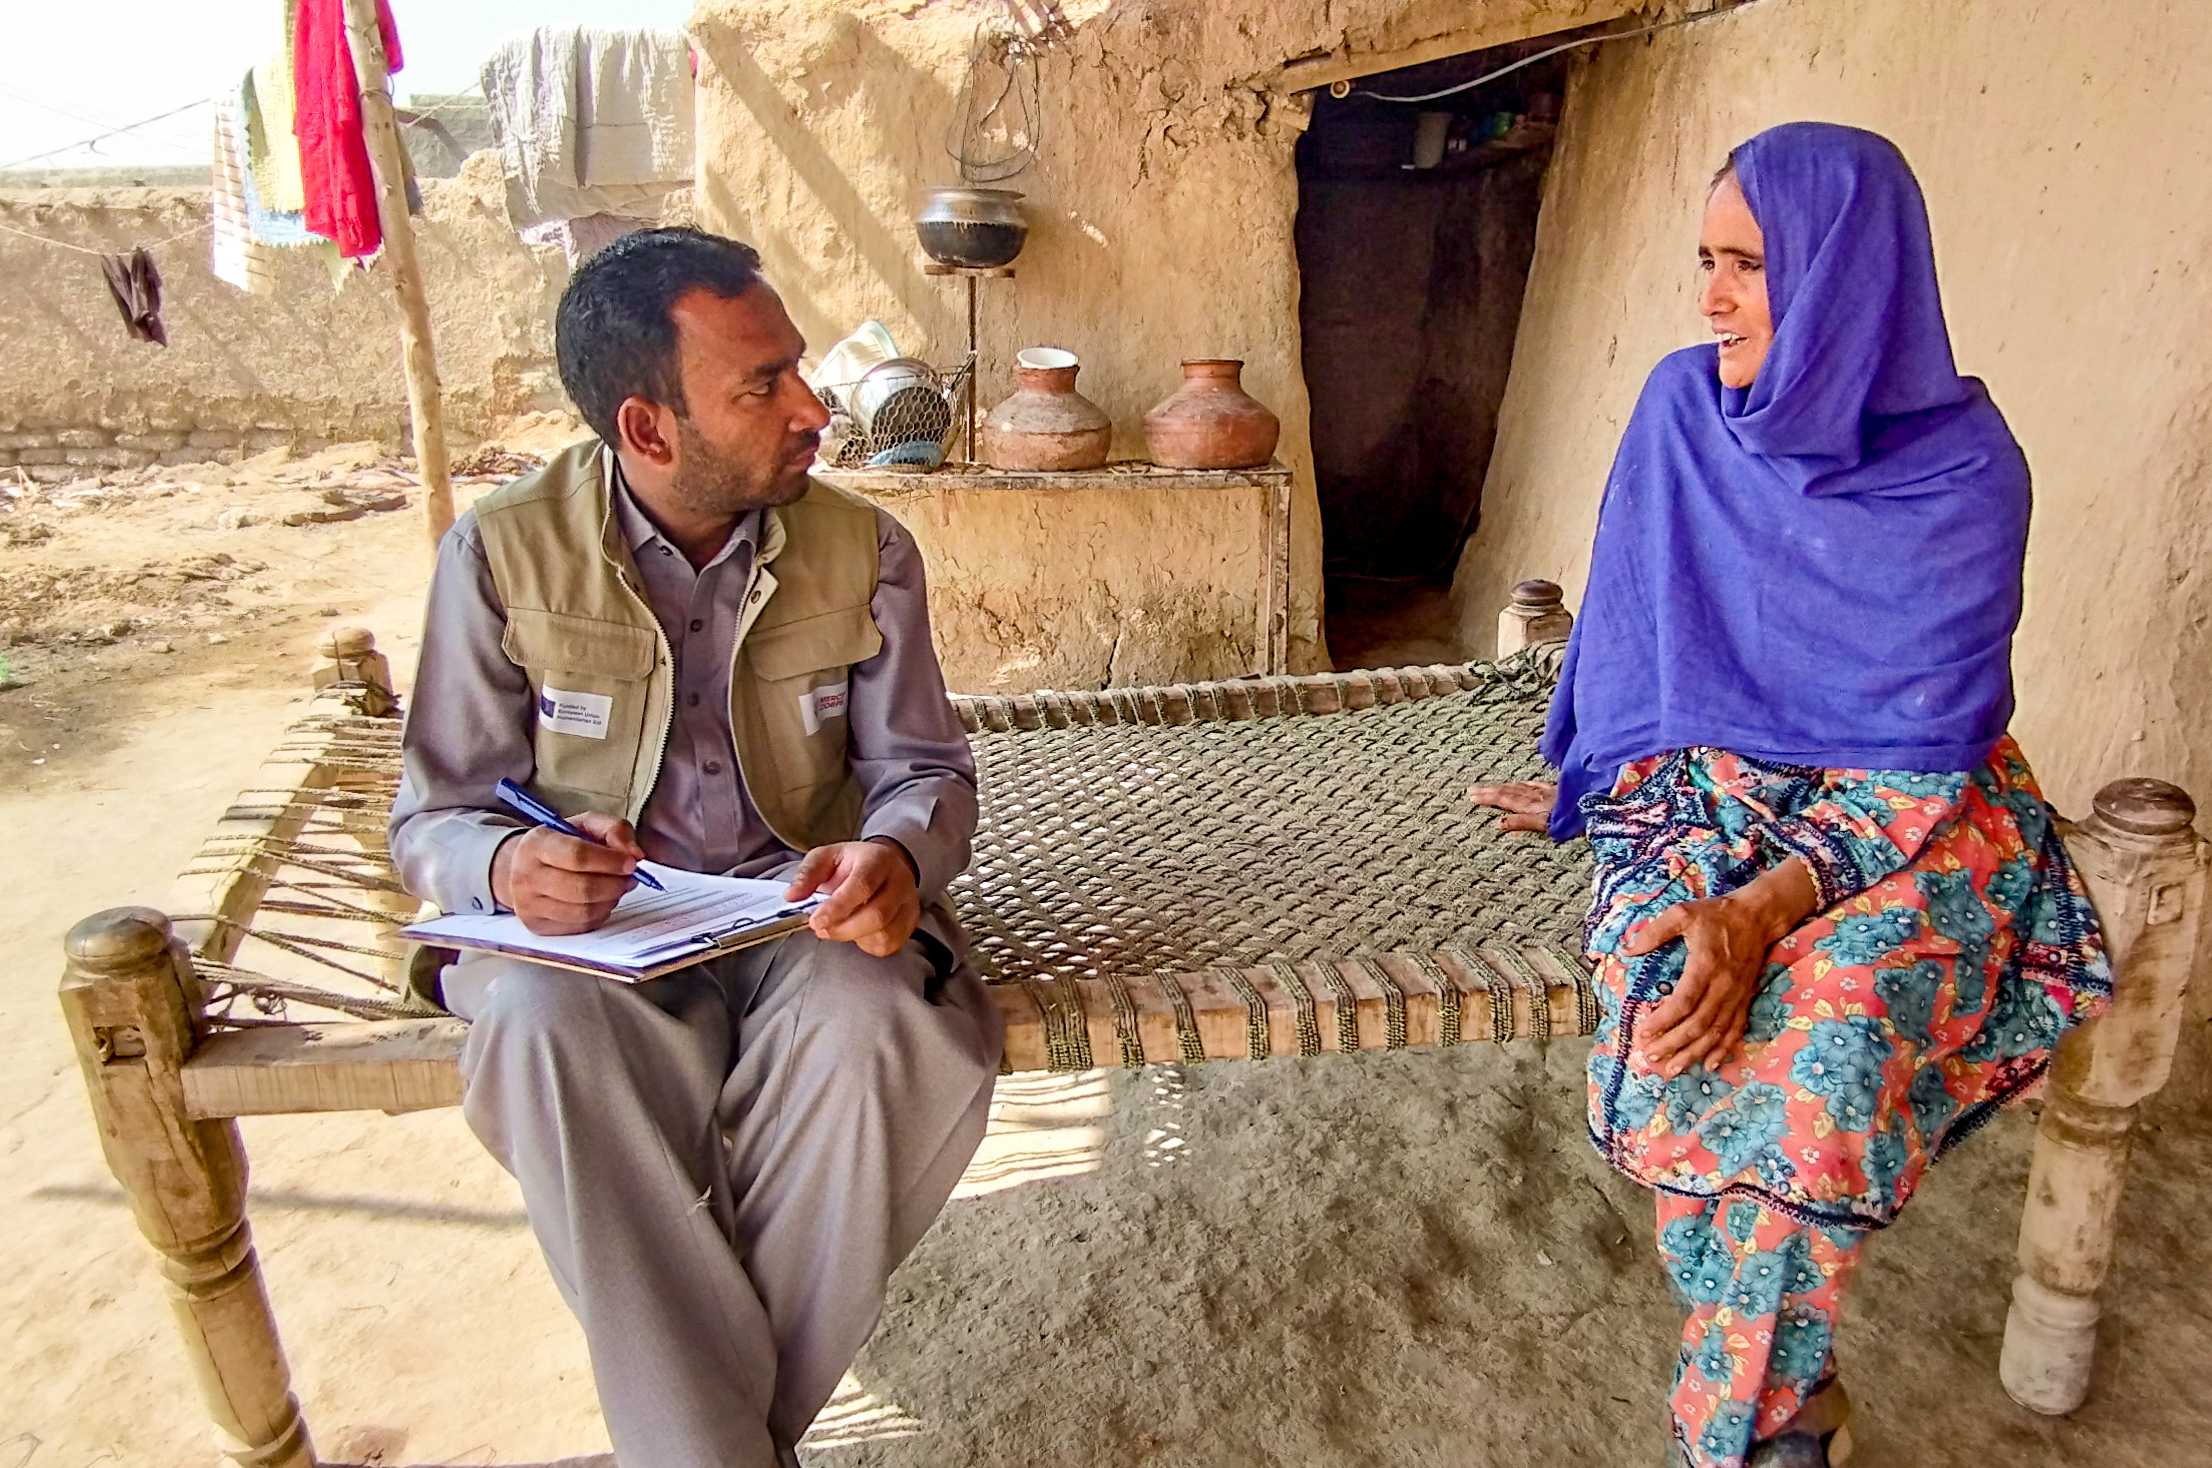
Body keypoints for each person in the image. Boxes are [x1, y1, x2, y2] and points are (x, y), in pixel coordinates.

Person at [1470, 123, 2110, 1468]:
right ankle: (1791, 1411)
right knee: (1667, 984)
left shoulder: (1966, 475)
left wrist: (1771, 906)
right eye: (1707, 260)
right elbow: (1642, 639)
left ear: (1845, 275)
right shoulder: (1680, 414)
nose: (1710, 298)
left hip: (1917, 814)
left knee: (1829, 1033)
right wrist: (1606, 776)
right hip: (1698, 785)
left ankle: (1745, 1428)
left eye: (1747, 266)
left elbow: (1922, 756)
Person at [389, 228, 1003, 1468]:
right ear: (649, 426)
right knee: (531, 1028)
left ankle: (700, 1448)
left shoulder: (865, 550)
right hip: (598, 952)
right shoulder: (502, 555)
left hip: (799, 923)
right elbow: (436, 816)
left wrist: (894, 856)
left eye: (797, 369)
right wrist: (510, 869)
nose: (812, 407)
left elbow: (924, 774)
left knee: (883, 1020)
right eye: (762, 384)